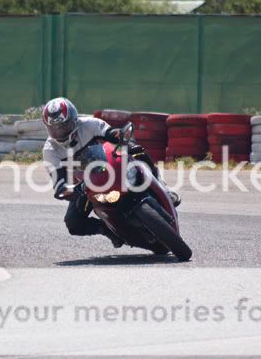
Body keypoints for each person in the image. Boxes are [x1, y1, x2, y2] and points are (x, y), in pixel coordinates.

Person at [41, 97, 180, 248]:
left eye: (64, 125)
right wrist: (72, 190)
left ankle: (163, 188)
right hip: (85, 187)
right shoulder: (50, 151)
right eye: (55, 128)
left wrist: (121, 136)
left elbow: (111, 132)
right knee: (73, 224)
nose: (60, 131)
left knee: (138, 152)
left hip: (109, 167)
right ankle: (107, 230)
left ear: (74, 119)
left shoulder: (89, 124)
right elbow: (59, 185)